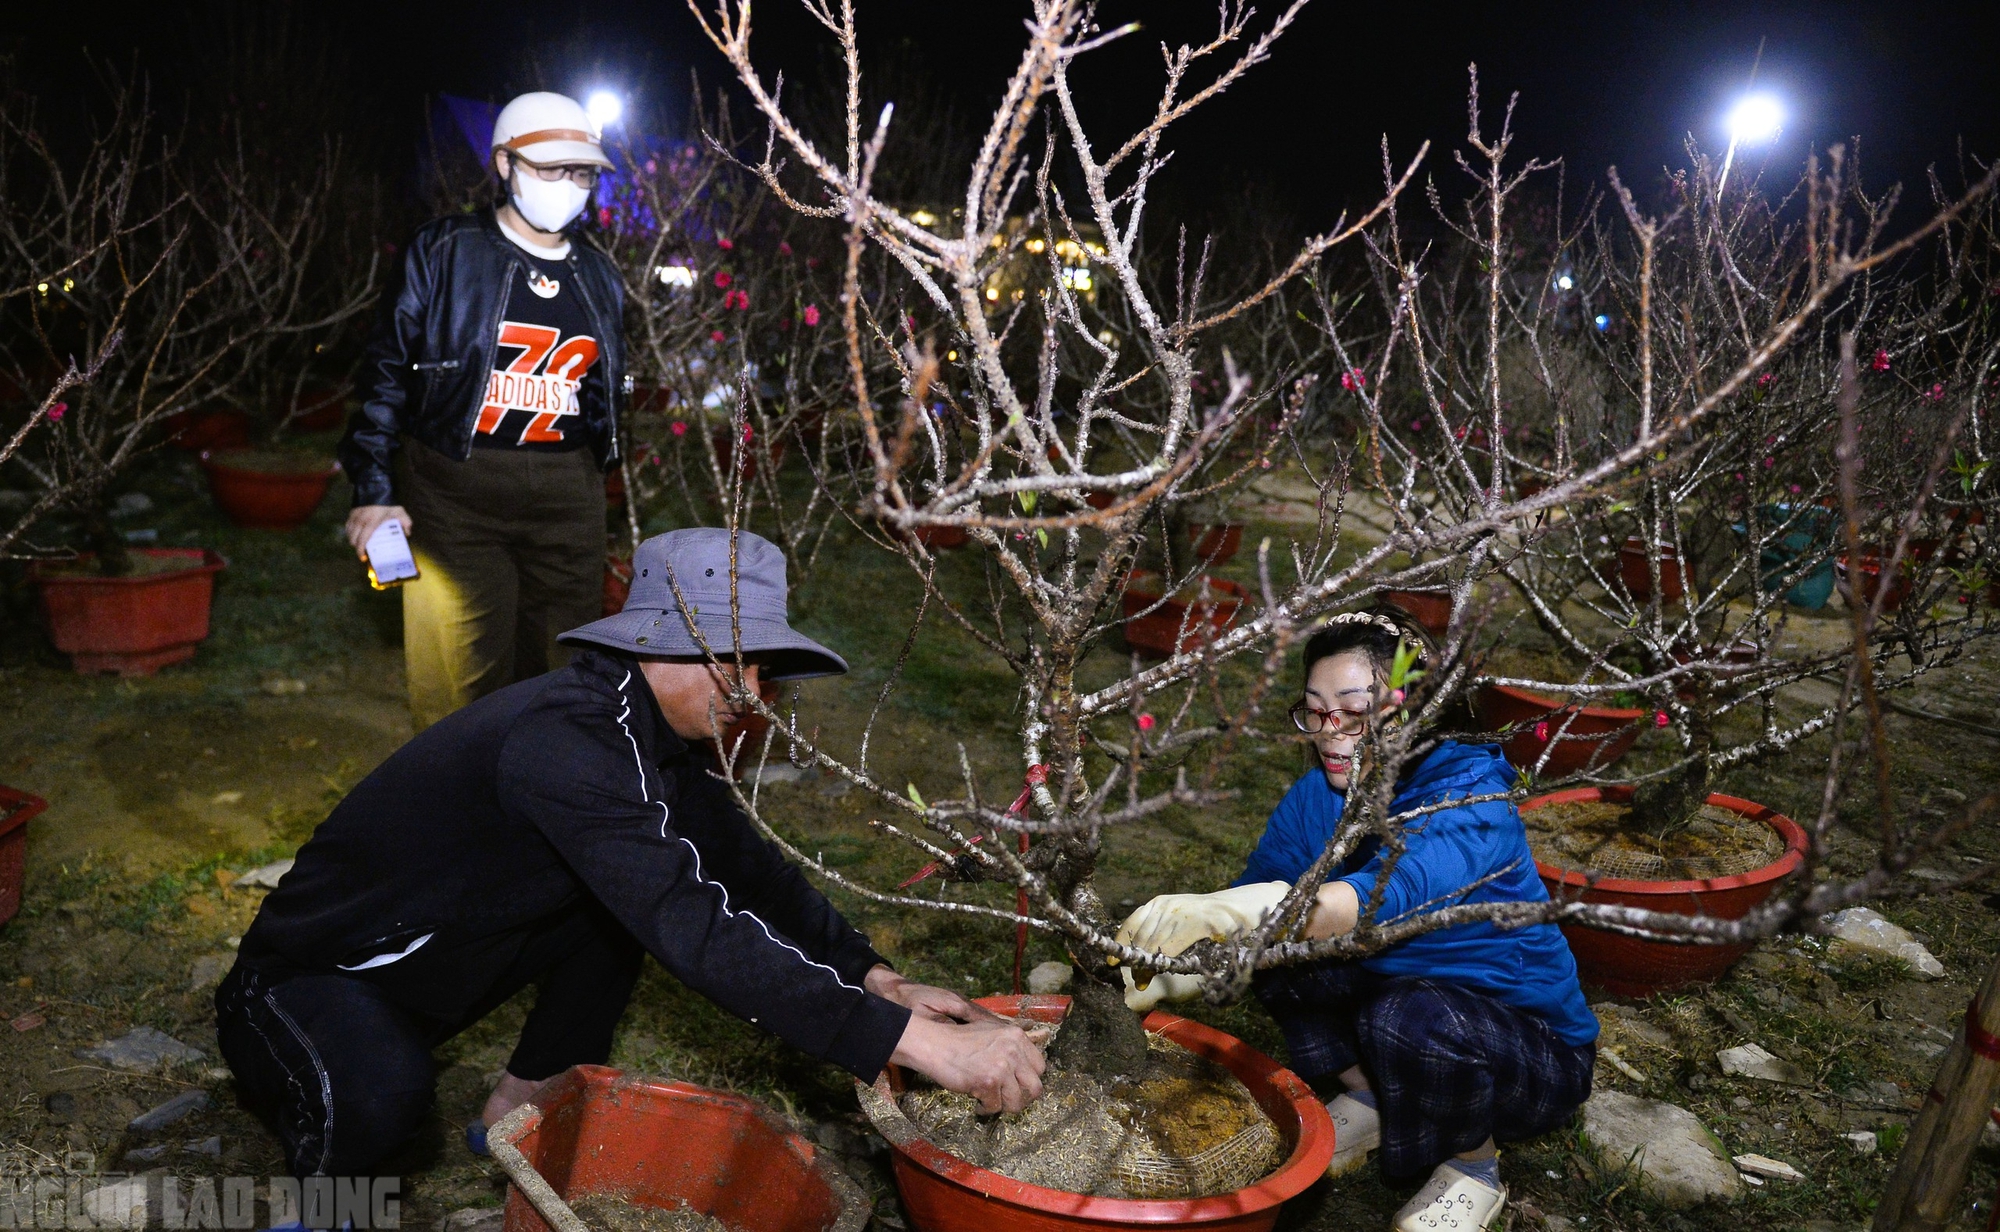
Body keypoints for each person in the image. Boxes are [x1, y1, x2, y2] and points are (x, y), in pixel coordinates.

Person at [215, 528, 1045, 1182]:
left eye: (761, 665)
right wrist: (911, 1042)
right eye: (731, 660)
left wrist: (876, 979)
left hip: (434, 971)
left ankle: (518, 1101)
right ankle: (322, 1189)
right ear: (658, 641)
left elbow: (748, 876)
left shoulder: (651, 736)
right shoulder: (568, 742)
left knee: (623, 902)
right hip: (304, 984)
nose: (752, 689)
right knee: (381, 1101)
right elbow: (692, 928)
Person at [1116, 612, 1596, 1232]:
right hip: (1398, 999)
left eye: (1355, 711)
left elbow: (1384, 895)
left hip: (1525, 1049)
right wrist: (1197, 939)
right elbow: (1257, 891)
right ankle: (1370, 1092)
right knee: (1281, 951)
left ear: (1420, 709)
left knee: (1402, 1012)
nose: (1329, 733)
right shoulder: (1319, 794)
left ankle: (1473, 1166)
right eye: (1314, 711)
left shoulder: (1473, 799)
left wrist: (1245, 915)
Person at [339, 91, 627, 729]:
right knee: (457, 686)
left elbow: (605, 396)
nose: (570, 185)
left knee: (564, 680)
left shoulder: (602, 276)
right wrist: (375, 489)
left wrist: (604, 485)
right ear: (504, 163)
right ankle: (456, 818)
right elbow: (385, 374)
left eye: (582, 173)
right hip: (455, 492)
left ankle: (539, 813)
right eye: (552, 169)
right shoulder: (442, 252)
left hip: (567, 499)